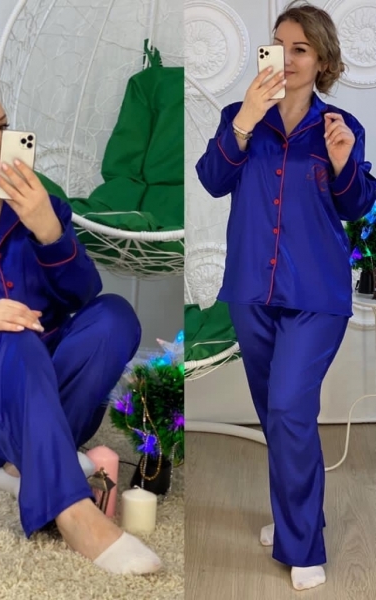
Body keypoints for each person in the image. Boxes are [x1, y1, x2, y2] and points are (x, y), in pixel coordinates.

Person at [0, 77, 162, 575]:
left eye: (3, 126)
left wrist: (47, 229)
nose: (0, 141)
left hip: (37, 383)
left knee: (115, 315)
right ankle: (74, 513)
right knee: (10, 338)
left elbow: (83, 295)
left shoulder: (46, 208)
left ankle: (22, 462)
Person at [196, 0, 376, 591]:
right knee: (276, 414)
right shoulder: (239, 116)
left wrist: (345, 163)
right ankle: (294, 515)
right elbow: (212, 179)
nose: (287, 57)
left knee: (290, 408)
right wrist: (246, 119)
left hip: (317, 292)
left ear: (321, 59)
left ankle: (302, 544)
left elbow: (355, 205)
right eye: (278, 46)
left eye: (301, 48)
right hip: (252, 288)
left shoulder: (342, 127)